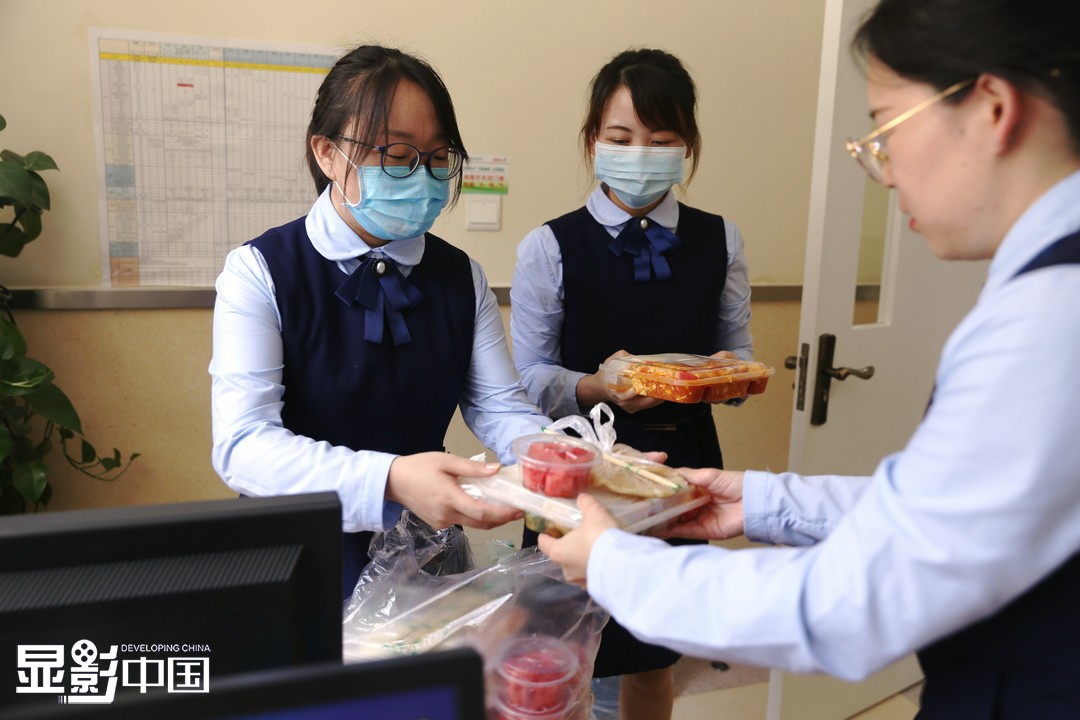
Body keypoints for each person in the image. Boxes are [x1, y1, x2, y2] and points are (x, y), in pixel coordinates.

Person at [539, 1, 1080, 718]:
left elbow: (859, 599)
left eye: (886, 127)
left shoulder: (1048, 320)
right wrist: (762, 501)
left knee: (644, 670)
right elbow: (944, 511)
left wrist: (614, 564)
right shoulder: (1047, 297)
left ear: (992, 109)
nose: (883, 170)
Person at [209, 44, 549, 598]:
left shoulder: (461, 276)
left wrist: (571, 459)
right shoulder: (260, 271)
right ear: (326, 152)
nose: (421, 174)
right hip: (294, 554)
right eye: (396, 152)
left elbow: (500, 407)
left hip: (424, 559)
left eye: (436, 156)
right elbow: (243, 445)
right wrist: (391, 479)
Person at [510, 48, 753, 720]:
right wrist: (597, 386)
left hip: (683, 471)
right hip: (579, 471)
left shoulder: (721, 239)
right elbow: (528, 379)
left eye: (661, 139)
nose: (639, 154)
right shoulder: (549, 247)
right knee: (560, 652)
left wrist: (718, 378)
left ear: (688, 146)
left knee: (654, 655)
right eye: (620, 138)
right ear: (593, 140)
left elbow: (739, 361)